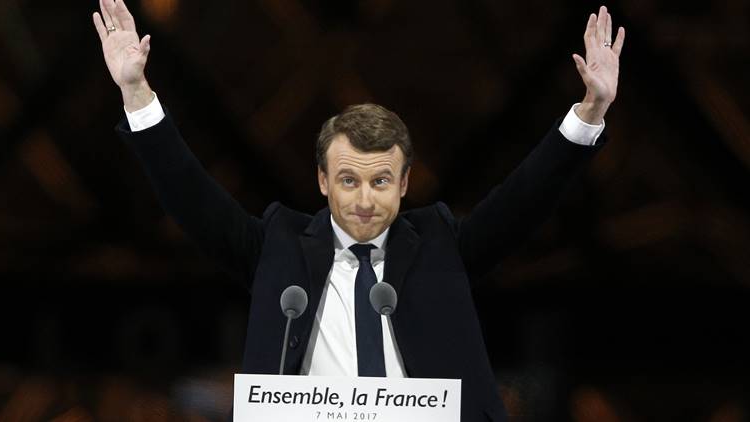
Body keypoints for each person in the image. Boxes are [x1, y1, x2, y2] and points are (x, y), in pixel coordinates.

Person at [92, 1, 625, 420]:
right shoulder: (277, 246)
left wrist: (591, 109)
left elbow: (525, 199)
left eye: (381, 181)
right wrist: (136, 92)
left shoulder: (441, 244)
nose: (365, 199)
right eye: (348, 179)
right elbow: (191, 196)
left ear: (405, 183)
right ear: (322, 181)